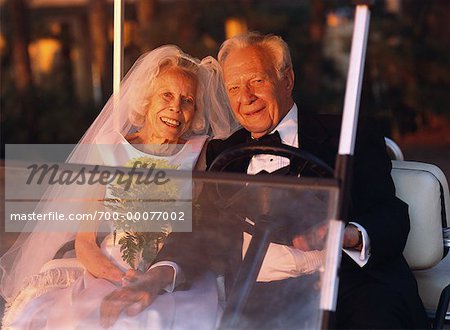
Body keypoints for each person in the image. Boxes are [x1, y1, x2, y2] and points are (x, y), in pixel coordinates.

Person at [0, 45, 238, 329]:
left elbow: (198, 229)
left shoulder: (199, 153)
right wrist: (120, 279)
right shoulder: (111, 148)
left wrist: (152, 279)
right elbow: (85, 242)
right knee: (85, 320)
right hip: (108, 270)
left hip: (173, 273)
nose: (176, 107)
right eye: (166, 95)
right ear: (146, 99)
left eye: (187, 100)